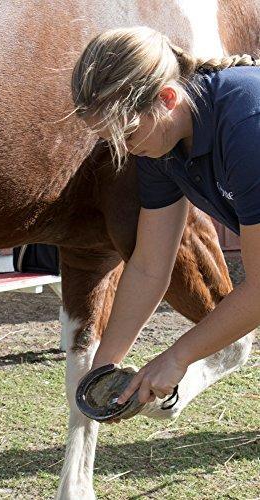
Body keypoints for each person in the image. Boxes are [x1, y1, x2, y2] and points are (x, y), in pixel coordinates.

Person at [71, 26, 259, 411]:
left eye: (126, 132)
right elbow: (148, 267)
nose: (122, 149)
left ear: (166, 98)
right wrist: (105, 368)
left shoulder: (247, 127)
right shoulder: (159, 146)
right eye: (112, 140)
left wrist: (177, 357)